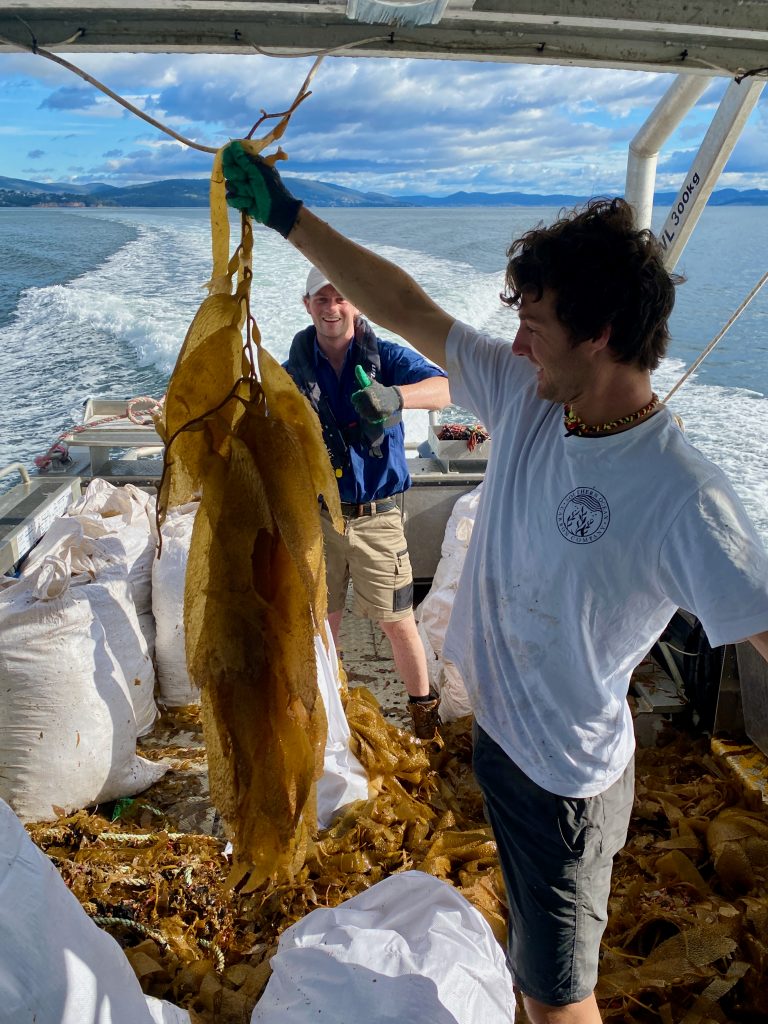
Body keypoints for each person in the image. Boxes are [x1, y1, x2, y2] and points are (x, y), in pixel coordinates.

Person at [221, 142, 768, 1024]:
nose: (515, 342)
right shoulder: (527, 393)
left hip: (566, 788)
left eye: (536, 324)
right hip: (503, 748)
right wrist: (289, 217)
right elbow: (403, 306)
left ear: (599, 336)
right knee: (531, 975)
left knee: (561, 1002)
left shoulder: (681, 496)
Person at [283, 262, 450, 739]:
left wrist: (394, 397)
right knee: (322, 622)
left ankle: (424, 719)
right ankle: (326, 718)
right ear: (307, 306)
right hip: (317, 518)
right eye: (321, 299)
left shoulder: (388, 357)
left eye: (340, 297)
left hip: (379, 518)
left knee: (399, 622)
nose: (332, 307)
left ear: (355, 303)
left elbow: (444, 388)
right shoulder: (291, 372)